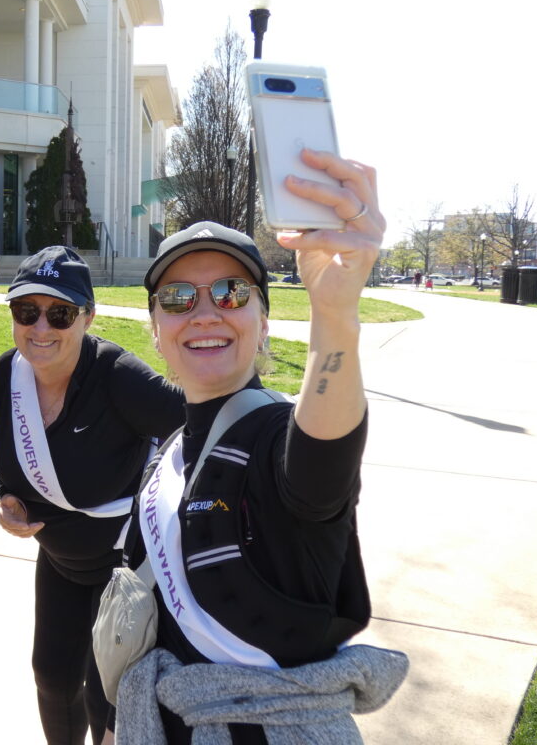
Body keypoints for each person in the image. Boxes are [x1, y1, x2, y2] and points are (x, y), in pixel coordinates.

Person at [115, 149, 408, 743]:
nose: (202, 313)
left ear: (264, 319)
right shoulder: (168, 457)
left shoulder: (276, 435)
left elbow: (322, 458)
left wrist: (335, 314)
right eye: (177, 299)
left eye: (229, 293)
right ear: (155, 327)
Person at [0, 245, 185, 745]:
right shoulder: (4, 378)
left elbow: (197, 423)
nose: (41, 328)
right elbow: (3, 463)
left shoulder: (118, 376)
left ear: (88, 317)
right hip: (58, 560)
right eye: (26, 311)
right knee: (51, 677)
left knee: (107, 698)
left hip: (122, 566)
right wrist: (5, 498)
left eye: (60, 313)